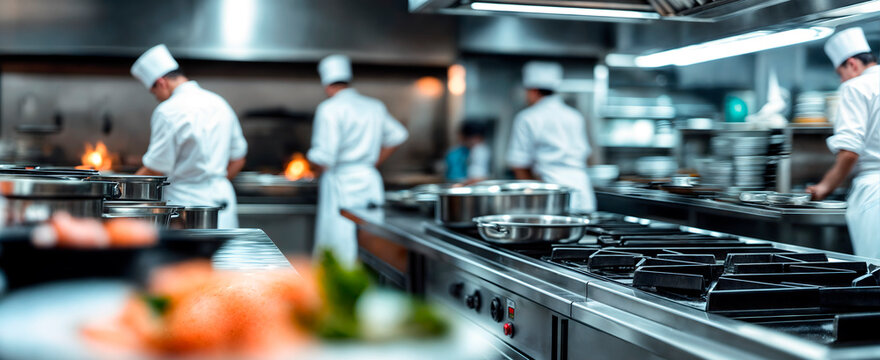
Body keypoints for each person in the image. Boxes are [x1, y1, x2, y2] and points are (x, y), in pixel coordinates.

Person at [130, 44, 247, 228]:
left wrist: (120, 192)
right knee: (225, 256)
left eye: (155, 93)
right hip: (223, 204)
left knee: (187, 258)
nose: (157, 98)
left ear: (162, 82)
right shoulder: (219, 103)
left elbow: (155, 169)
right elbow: (238, 159)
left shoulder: (168, 111)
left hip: (185, 209)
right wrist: (213, 183)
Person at [307, 55, 409, 266]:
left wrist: (313, 168)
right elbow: (398, 135)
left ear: (327, 85)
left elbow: (325, 156)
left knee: (340, 246)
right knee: (372, 241)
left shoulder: (329, 109)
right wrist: (372, 162)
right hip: (368, 179)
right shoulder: (374, 106)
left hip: (340, 181)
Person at [807, 27, 880, 258]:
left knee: (875, 273)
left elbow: (850, 152)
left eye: (840, 73)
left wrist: (824, 187)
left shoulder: (855, 87)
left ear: (852, 64)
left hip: (874, 193)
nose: (842, 79)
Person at [507, 61, 596, 213]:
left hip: (551, 199)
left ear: (533, 91)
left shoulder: (527, 117)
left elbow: (519, 164)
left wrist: (532, 200)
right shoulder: (574, 116)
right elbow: (588, 158)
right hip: (583, 195)